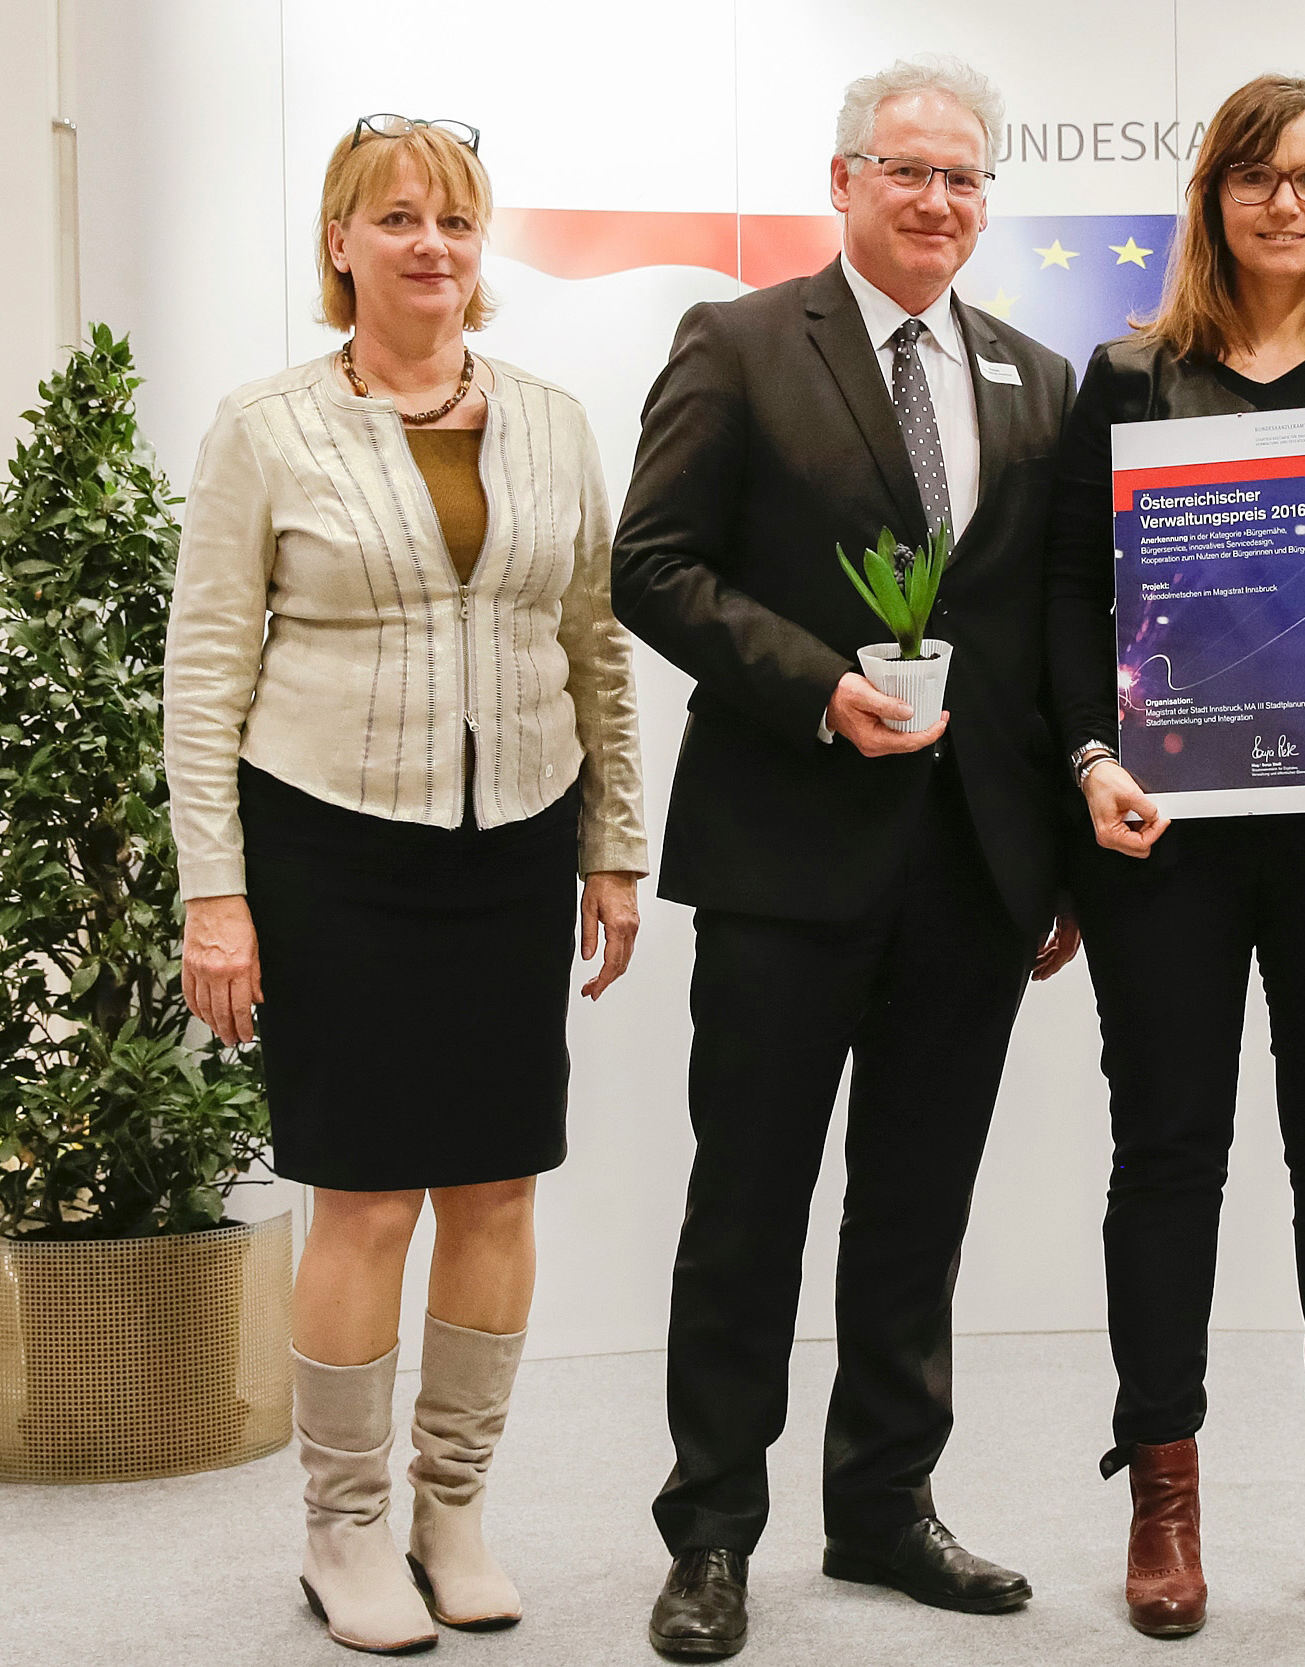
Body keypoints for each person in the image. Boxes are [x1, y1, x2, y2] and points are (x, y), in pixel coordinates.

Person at [610, 57, 1077, 1660]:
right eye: (907, 172)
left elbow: (1044, 637)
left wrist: (1058, 850)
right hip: (780, 857)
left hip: (970, 874)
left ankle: (882, 1503)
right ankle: (711, 1534)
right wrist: (819, 687)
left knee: (914, 1210)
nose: (938, 200)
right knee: (746, 1205)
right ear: (843, 182)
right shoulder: (739, 345)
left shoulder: (1034, 376)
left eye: (963, 177)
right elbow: (649, 567)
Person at [164, 116, 647, 1653]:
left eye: (453, 218)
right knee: (364, 1195)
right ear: (340, 243)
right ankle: (344, 1526)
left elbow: (598, 650)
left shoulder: (558, 424)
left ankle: (453, 1506)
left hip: (514, 836)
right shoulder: (266, 426)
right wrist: (213, 892)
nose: (429, 243)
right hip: (330, 843)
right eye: (395, 217)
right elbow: (202, 676)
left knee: (495, 1180)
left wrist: (615, 842)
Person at [1046, 74, 1305, 1641]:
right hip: (1167, 828)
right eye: (1256, 179)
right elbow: (1066, 604)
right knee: (1166, 1156)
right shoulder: (1128, 373)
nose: (1286, 205)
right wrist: (1088, 761)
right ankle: (1163, 1489)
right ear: (1212, 198)